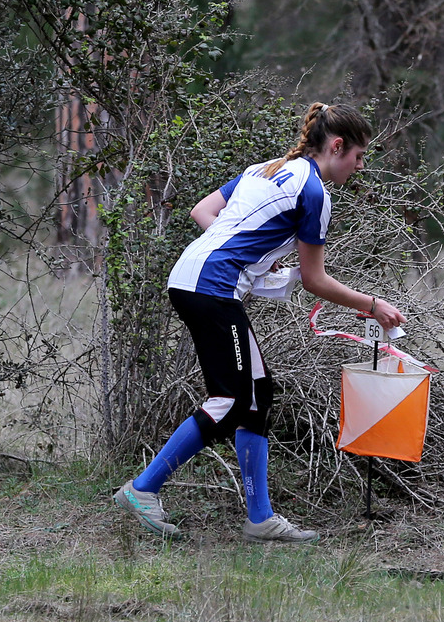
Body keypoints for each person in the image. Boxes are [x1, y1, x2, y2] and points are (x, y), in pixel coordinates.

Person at [114, 102, 406, 543]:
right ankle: (143, 488)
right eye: (359, 157)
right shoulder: (314, 194)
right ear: (337, 146)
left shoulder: (266, 168)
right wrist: (373, 304)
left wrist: (243, 258)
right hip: (210, 289)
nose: (359, 167)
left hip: (193, 278)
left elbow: (202, 211)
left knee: (257, 395)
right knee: (230, 400)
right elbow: (314, 280)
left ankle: (261, 519)